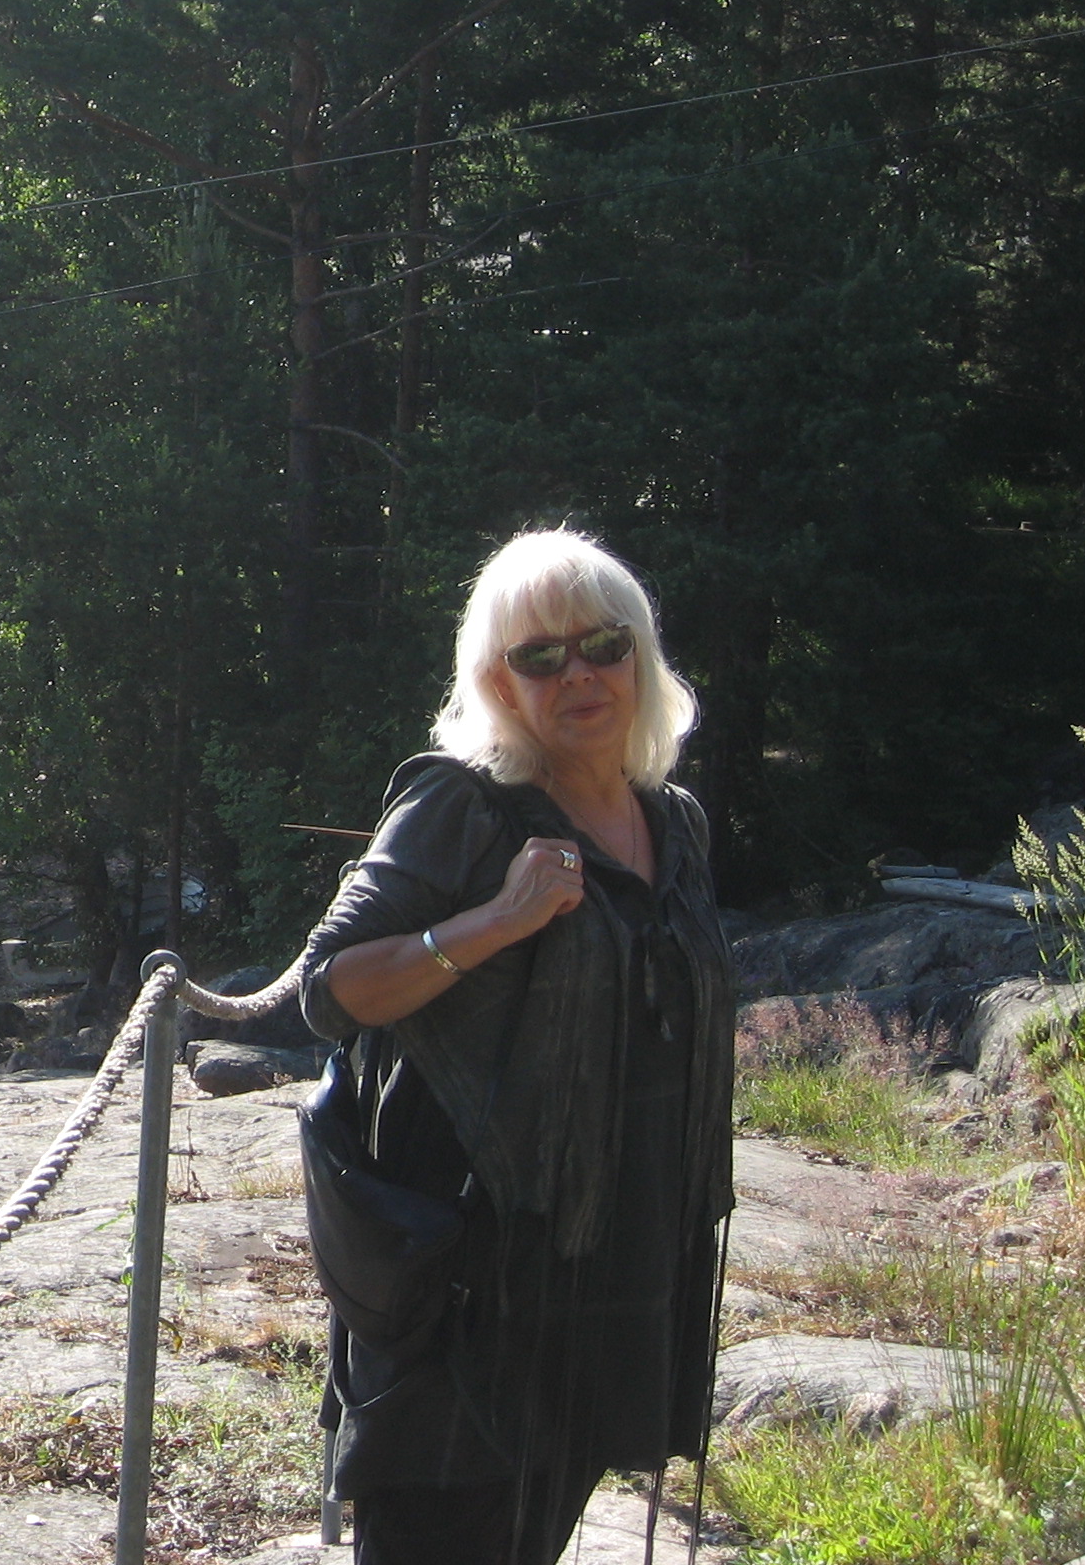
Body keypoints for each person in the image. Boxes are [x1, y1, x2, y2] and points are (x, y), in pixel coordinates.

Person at [288, 529, 734, 1564]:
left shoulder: (674, 825)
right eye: (541, 656)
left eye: (604, 645)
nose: (579, 674)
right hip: (470, 1291)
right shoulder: (461, 807)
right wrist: (494, 922)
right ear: (498, 683)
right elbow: (330, 988)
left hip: (617, 1264)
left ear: (642, 657)